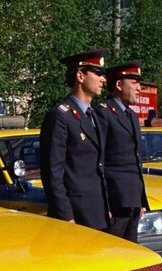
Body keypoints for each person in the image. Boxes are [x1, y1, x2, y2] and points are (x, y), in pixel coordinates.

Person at [40, 49, 110, 229]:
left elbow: (98, 168)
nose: (104, 79)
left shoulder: (94, 115)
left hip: (96, 211)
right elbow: (53, 173)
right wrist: (65, 215)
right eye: (98, 74)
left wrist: (105, 206)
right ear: (80, 76)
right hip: (75, 215)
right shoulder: (60, 116)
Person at [96, 60, 149, 243]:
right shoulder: (103, 113)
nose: (139, 88)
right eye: (134, 83)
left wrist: (139, 200)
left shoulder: (131, 116)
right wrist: (104, 203)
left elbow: (135, 161)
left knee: (131, 254)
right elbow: (99, 161)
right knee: (112, 253)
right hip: (115, 200)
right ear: (119, 85)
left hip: (131, 199)